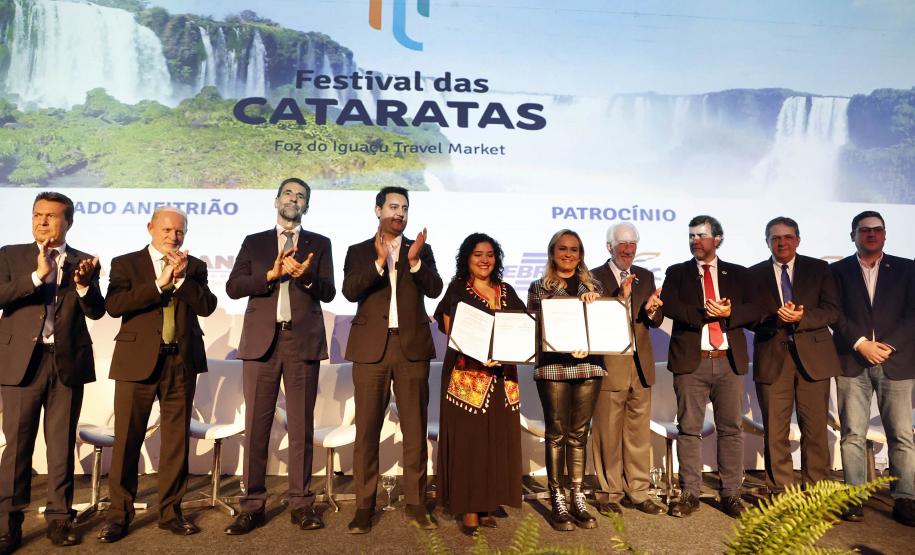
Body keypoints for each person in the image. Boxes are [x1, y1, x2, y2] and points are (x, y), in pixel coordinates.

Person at [98, 206, 217, 543]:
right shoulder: (126, 263)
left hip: (181, 361)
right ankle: (119, 515)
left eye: (179, 231)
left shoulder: (194, 267)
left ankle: (170, 512)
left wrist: (180, 282)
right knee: (127, 440)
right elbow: (114, 306)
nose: (173, 237)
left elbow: (206, 306)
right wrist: (157, 284)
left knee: (176, 440)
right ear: (151, 228)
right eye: (166, 230)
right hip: (136, 361)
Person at [224, 178, 335, 535]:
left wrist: (306, 279)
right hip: (261, 344)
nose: (294, 199)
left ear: (307, 206)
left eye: (301, 196)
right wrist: (269, 275)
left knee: (301, 425)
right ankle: (252, 504)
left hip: (301, 342)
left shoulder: (320, 244)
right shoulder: (254, 242)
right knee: (257, 425)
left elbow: (330, 292)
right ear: (276, 201)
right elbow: (233, 286)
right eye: (288, 193)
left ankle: (302, 502)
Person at [0, 192, 104, 551]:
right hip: (21, 364)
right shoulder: (11, 255)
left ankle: (60, 519)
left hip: (66, 363)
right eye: (37, 215)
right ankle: (7, 524)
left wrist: (83, 285)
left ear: (69, 222)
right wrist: (35, 276)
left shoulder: (83, 261)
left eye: (51, 216)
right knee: (17, 447)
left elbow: (96, 311)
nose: (42, 221)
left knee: (60, 445)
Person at [342, 186, 443, 534]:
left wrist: (414, 261)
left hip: (411, 348)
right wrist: (380, 263)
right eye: (392, 207)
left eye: (404, 208)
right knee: (367, 431)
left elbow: (435, 288)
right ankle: (364, 507)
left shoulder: (422, 250)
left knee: (415, 430)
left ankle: (416, 504)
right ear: (378, 210)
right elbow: (351, 291)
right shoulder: (358, 251)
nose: (399, 213)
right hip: (371, 350)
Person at [660, 215, 758, 518]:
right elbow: (669, 305)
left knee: (731, 429)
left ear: (718, 239)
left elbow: (756, 310)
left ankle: (730, 493)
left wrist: (730, 313)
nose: (694, 241)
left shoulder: (738, 274)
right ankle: (690, 493)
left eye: (701, 235)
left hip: (728, 362)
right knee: (689, 429)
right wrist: (703, 313)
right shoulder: (677, 272)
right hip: (692, 363)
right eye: (691, 236)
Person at [432, 233, 524, 534]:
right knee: (469, 444)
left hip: (502, 378)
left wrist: (511, 350)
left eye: (489, 254)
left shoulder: (507, 289)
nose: (484, 260)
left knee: (496, 441)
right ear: (467, 259)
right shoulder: (459, 287)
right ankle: (469, 506)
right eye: (477, 254)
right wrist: (479, 352)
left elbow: (524, 325)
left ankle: (487, 503)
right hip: (468, 377)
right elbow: (448, 325)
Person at [831, 211, 915, 526]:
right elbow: (833, 313)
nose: (871, 234)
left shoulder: (908, 269)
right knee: (853, 433)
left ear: (885, 234)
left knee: (901, 435)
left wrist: (888, 344)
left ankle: (905, 498)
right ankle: (853, 497)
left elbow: (913, 314)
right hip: (852, 361)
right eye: (864, 230)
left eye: (877, 229)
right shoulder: (837, 271)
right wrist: (860, 342)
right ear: (853, 235)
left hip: (897, 361)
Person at [748, 217, 840, 495]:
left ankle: (816, 495)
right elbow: (749, 316)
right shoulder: (753, 274)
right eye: (775, 238)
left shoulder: (819, 269)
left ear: (797, 240)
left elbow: (832, 311)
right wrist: (774, 318)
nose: (782, 242)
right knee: (775, 432)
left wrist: (802, 318)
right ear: (767, 242)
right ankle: (780, 493)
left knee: (814, 431)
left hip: (813, 360)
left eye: (788, 237)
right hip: (773, 358)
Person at [527, 229, 604, 531]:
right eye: (562, 249)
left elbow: (606, 328)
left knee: (579, 433)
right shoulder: (539, 287)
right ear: (552, 252)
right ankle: (557, 495)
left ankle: (577, 494)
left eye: (574, 249)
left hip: (589, 367)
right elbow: (534, 329)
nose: (568, 254)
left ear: (581, 254)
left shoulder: (594, 285)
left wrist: (596, 307)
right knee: (556, 433)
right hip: (553, 366)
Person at [589, 223, 664, 517]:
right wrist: (620, 297)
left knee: (638, 434)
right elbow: (594, 320)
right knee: (607, 432)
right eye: (622, 244)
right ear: (609, 246)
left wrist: (653, 311)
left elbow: (652, 321)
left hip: (641, 365)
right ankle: (608, 492)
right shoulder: (593, 277)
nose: (628, 249)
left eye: (632, 243)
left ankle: (638, 491)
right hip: (610, 365)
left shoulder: (645, 275)